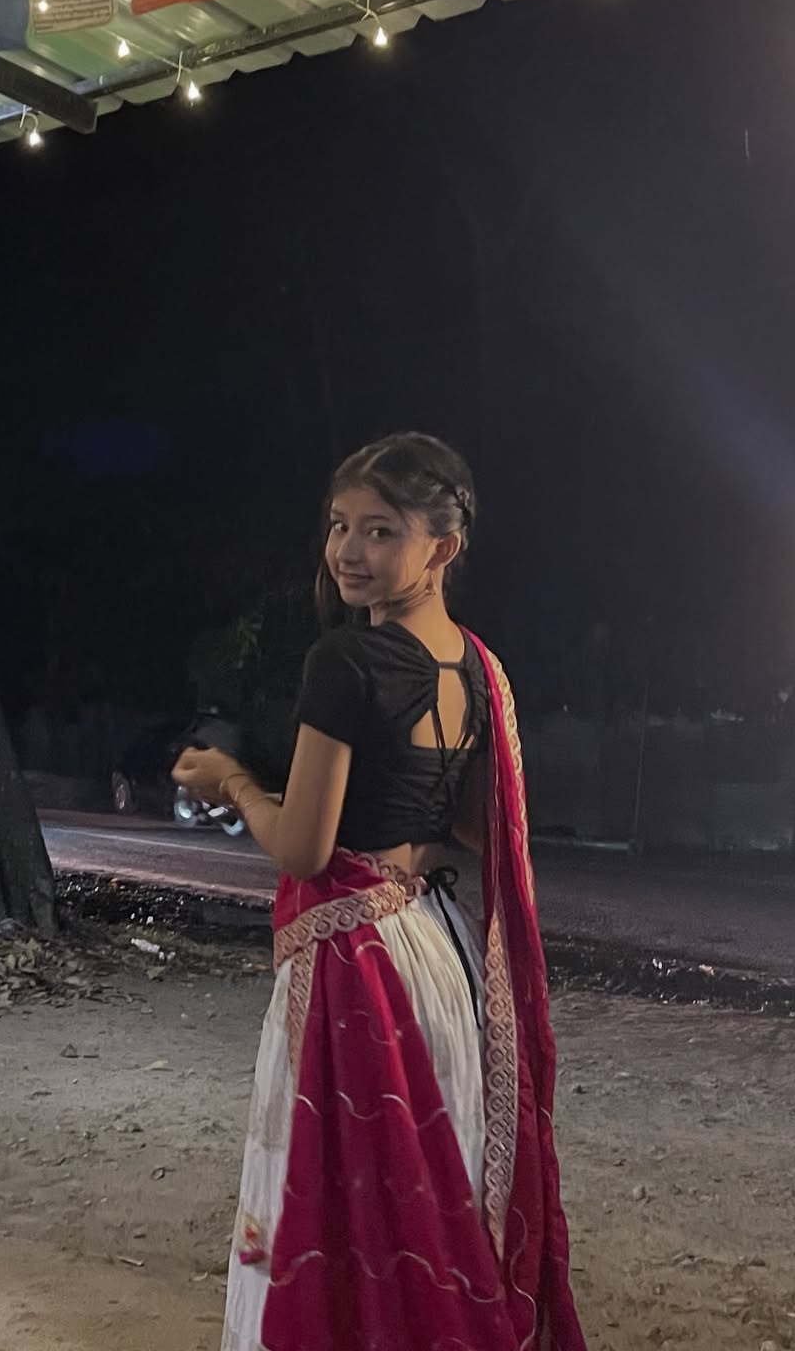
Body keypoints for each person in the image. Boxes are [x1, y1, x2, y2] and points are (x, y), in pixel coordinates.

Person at [173, 433, 587, 1351]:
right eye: (339, 525)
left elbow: (304, 847)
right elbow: (474, 827)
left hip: (355, 968)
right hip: (436, 956)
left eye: (380, 530)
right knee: (426, 1204)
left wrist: (233, 784)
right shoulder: (479, 668)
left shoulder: (346, 663)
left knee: (339, 1216)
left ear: (443, 547)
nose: (348, 551)